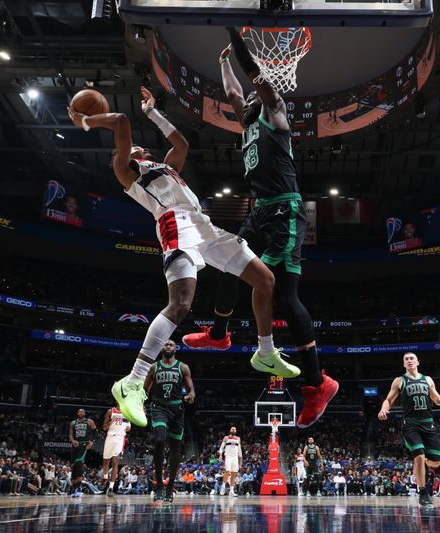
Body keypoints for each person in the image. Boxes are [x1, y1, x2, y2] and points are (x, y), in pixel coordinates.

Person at [68, 86, 286, 428]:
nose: (140, 147)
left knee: (264, 278)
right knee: (181, 304)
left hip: (204, 226)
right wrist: (85, 120)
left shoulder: (167, 168)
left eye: (142, 146)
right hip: (174, 224)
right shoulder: (128, 171)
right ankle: (133, 381)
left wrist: (153, 111)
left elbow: (181, 144)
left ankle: (265, 350)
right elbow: (121, 121)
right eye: (135, 147)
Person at [183, 28, 339, 429]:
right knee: (228, 260)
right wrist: (221, 63)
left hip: (286, 212)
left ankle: (317, 384)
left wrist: (235, 37)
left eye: (255, 93)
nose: (249, 98)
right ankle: (219, 332)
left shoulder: (274, 113)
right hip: (260, 211)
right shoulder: (248, 120)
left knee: (286, 296)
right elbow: (235, 92)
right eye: (248, 97)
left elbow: (253, 76)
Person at [378, 352, 440, 508]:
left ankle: (423, 465)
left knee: (436, 462)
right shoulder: (400, 381)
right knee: (419, 456)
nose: (409, 361)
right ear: (404, 364)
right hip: (410, 424)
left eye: (412, 358)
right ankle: (423, 492)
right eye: (406, 359)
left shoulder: (427, 379)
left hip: (428, 424)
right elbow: (388, 400)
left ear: (418, 362)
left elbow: (438, 400)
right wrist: (383, 409)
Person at [145, 340, 194, 503]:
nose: (168, 346)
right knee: (159, 440)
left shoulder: (183, 367)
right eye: (165, 344)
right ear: (161, 348)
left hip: (177, 410)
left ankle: (169, 487)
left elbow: (191, 390)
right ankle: (158, 485)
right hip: (158, 408)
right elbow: (145, 390)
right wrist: (139, 405)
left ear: (175, 349)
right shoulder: (154, 367)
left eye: (171, 344)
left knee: (175, 450)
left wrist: (190, 396)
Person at [102, 406, 131, 497]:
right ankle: (105, 477)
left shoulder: (127, 412)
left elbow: (128, 428)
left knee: (115, 461)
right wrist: (111, 421)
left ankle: (111, 488)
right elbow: (104, 427)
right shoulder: (110, 411)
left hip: (120, 438)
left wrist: (126, 425)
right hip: (110, 437)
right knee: (106, 461)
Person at [68, 408, 96, 498]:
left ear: (85, 413)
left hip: (84, 444)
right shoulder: (73, 423)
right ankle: (73, 488)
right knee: (73, 466)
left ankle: (77, 488)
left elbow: (95, 432)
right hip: (75, 445)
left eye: (83, 411)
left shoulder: (89, 421)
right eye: (79, 411)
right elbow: (70, 435)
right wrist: (72, 441)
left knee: (79, 464)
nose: (81, 412)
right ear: (77, 413)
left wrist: (92, 442)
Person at [218, 426, 242, 496]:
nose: (234, 430)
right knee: (227, 471)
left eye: (235, 429)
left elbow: (239, 449)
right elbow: (221, 447)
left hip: (235, 457)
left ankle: (231, 491)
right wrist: (220, 455)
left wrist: (240, 459)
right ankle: (223, 486)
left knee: (234, 474)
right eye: (232, 429)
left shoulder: (238, 438)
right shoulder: (226, 438)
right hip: (228, 456)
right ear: (230, 430)